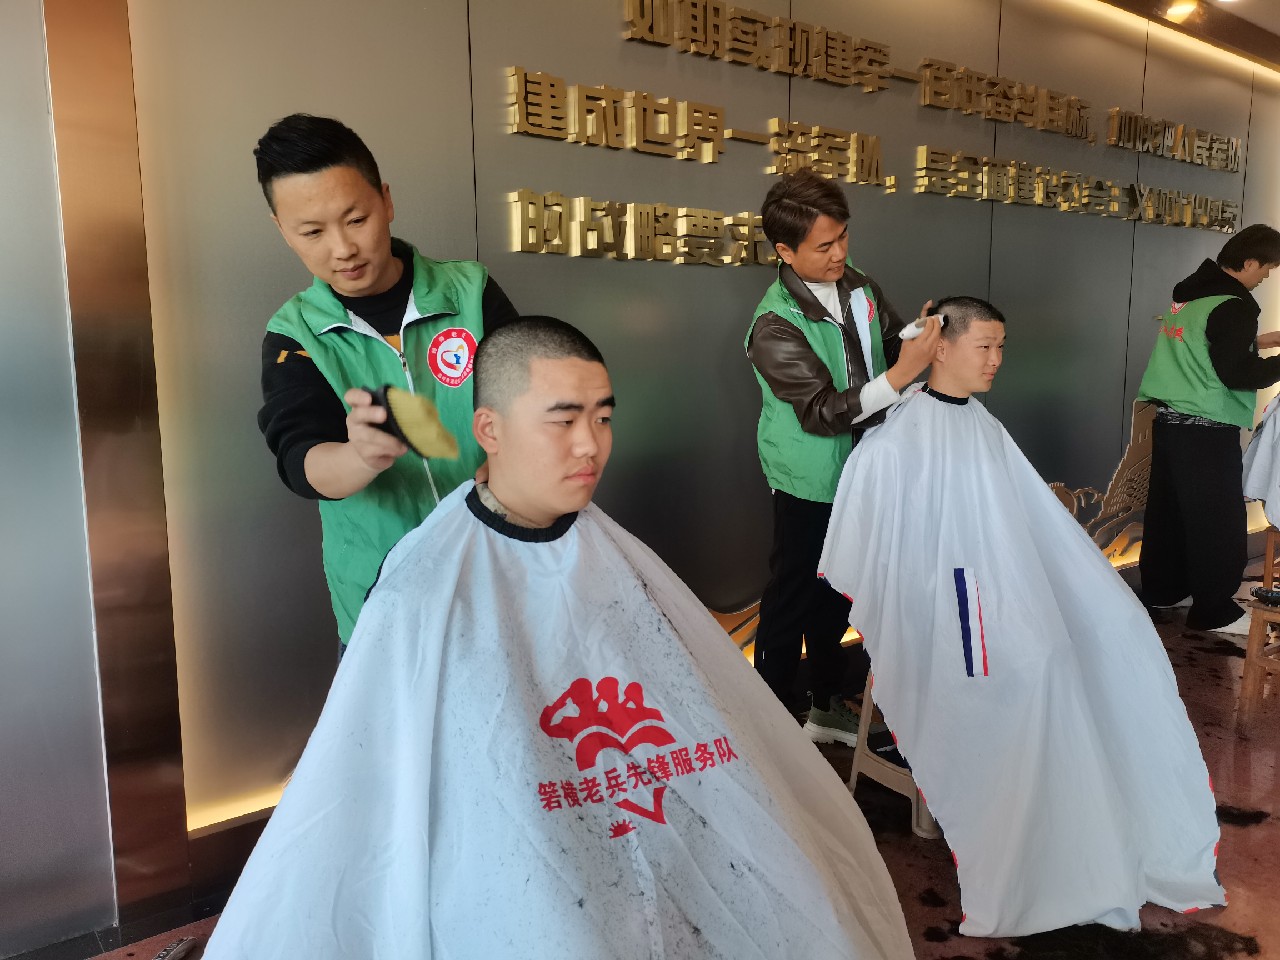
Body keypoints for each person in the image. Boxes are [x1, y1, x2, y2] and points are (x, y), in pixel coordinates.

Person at [203, 318, 914, 960]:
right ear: (489, 429)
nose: (590, 444)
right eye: (564, 419)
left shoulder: (618, 557)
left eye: (603, 418)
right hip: (513, 852)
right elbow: (387, 794)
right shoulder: (423, 587)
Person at [820, 297, 1224, 937]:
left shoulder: (979, 423)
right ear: (940, 346)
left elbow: (1024, 524)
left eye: (1001, 347)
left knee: (1115, 631)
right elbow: (885, 557)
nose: (996, 360)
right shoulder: (895, 439)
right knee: (1041, 668)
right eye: (984, 346)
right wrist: (963, 592)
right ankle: (1035, 839)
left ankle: (1093, 820)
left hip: (993, 591)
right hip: (946, 609)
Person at [254, 113, 520, 647]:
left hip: (502, 569)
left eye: (356, 219)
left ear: (387, 202)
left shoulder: (470, 292)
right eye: (312, 232)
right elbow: (300, 460)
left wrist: (510, 462)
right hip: (384, 603)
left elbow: (527, 396)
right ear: (283, 231)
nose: (342, 249)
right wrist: (360, 456)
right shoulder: (294, 335)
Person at [745, 169, 940, 739]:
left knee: (841, 590)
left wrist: (922, 336)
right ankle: (774, 725)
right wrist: (904, 374)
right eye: (823, 246)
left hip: (867, 466)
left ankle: (826, 706)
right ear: (785, 251)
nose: (838, 254)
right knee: (793, 596)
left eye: (843, 237)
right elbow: (824, 411)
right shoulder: (773, 325)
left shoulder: (859, 285)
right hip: (809, 476)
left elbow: (892, 341)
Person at [1137, 224, 1280, 634]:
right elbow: (1238, 373)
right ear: (1249, 262)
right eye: (1266, 269)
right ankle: (1214, 611)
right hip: (1207, 426)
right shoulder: (1235, 305)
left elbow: (1206, 344)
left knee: (1170, 515)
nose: (1265, 278)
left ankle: (1165, 591)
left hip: (1171, 422)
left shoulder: (1191, 294)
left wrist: (1261, 342)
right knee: (1217, 521)